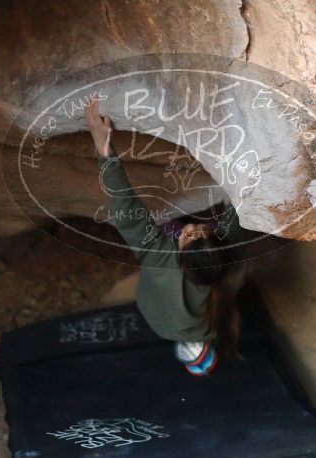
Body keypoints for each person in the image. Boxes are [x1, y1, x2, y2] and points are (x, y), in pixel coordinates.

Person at [84, 96, 247, 376]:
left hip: (164, 272)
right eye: (200, 233)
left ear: (180, 257)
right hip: (171, 285)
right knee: (228, 213)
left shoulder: (162, 260)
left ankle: (195, 220)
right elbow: (238, 212)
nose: (190, 230)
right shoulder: (230, 265)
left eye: (188, 237)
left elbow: (126, 208)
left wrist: (104, 148)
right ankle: (206, 219)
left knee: (171, 221)